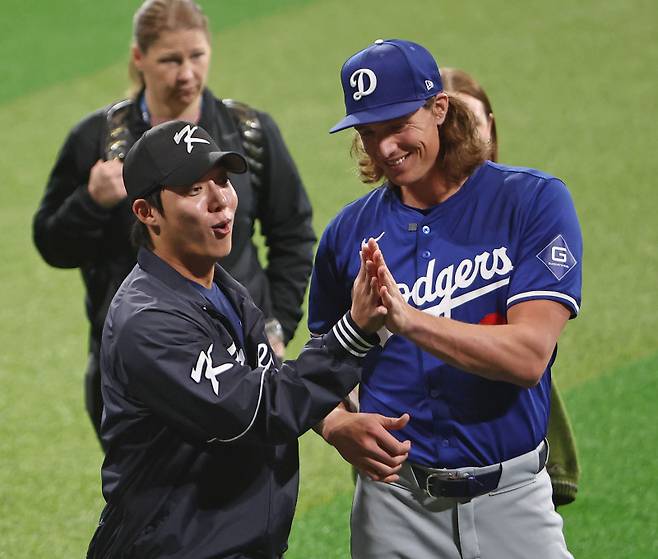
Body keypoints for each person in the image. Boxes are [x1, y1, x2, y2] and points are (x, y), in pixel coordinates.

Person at [310, 39, 582, 558]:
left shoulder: (532, 202)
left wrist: (409, 320)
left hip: (514, 502)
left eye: (397, 126)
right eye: (368, 134)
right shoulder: (347, 234)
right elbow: (326, 365)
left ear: (440, 109)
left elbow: (528, 356)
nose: (385, 147)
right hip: (395, 509)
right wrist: (335, 423)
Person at [86, 120, 385, 558]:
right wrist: (352, 334)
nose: (221, 203)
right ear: (146, 212)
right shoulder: (148, 322)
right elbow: (254, 412)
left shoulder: (221, 286)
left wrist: (331, 420)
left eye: (223, 181)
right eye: (193, 190)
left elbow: (266, 376)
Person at [32, 0, 315, 446]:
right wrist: (91, 201)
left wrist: (275, 328)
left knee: (255, 493)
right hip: (140, 361)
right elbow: (51, 244)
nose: (186, 74)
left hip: (241, 356)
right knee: (153, 494)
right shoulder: (96, 140)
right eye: (170, 59)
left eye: (197, 56)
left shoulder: (249, 134)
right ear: (139, 58)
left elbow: (293, 235)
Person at [441, 66, 581, 506]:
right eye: (448, 127)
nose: (459, 139)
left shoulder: (532, 203)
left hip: (510, 455)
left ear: (491, 126)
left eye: (471, 123)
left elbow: (529, 355)